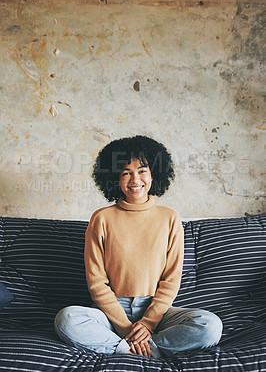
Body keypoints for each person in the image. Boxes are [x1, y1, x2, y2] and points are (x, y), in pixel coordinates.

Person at [54, 135, 223, 358]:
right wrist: (126, 328)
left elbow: (171, 280)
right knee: (66, 319)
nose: (135, 179)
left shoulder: (170, 218)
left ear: (154, 174)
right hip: (111, 310)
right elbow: (96, 283)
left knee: (210, 326)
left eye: (142, 170)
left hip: (157, 310)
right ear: (115, 178)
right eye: (126, 172)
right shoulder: (101, 218)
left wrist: (148, 324)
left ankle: (136, 348)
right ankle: (137, 349)